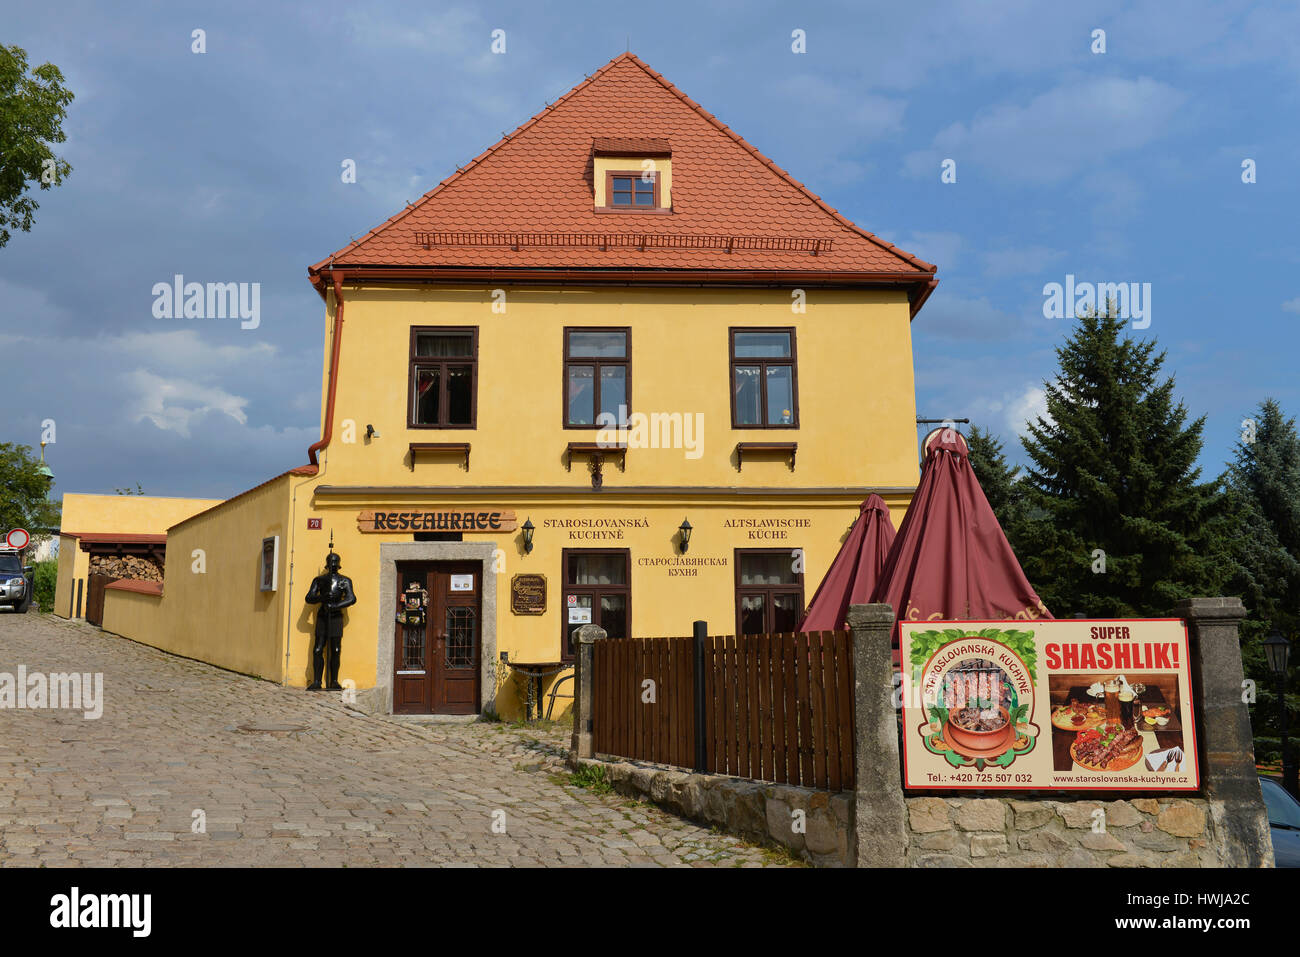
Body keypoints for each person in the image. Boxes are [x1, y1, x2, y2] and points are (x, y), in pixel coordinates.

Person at [304, 550, 356, 690]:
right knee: (318, 649)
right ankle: (316, 681)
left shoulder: (345, 580)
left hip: (335, 616)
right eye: (330, 563)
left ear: (338, 565)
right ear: (327, 564)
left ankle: (333, 680)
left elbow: (351, 598)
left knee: (336, 649)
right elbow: (309, 598)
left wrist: (335, 605)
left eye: (335, 563)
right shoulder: (319, 580)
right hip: (323, 616)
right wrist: (322, 598)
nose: (333, 565)